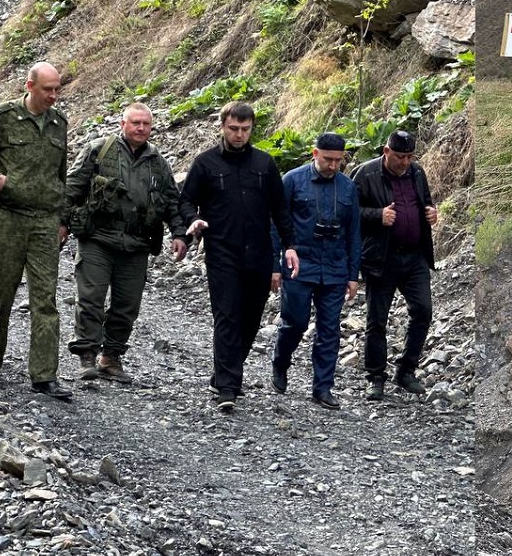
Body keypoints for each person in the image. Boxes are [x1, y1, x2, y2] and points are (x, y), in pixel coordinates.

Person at [0, 62, 71, 400]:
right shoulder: (4, 116)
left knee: (45, 300)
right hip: (7, 218)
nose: (53, 95)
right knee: (2, 292)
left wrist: (62, 219)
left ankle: (44, 375)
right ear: (30, 86)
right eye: (47, 89)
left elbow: (60, 175)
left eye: (57, 89)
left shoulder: (59, 123)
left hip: (45, 221)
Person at [179, 101, 298, 413]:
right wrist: (192, 220)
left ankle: (223, 373)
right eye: (234, 129)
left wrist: (290, 245)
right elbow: (186, 199)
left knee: (250, 319)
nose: (239, 135)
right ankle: (228, 387)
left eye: (245, 129)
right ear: (222, 126)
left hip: (258, 253)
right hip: (222, 252)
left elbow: (280, 210)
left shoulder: (265, 164)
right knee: (227, 315)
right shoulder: (205, 163)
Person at [62, 103, 188, 384]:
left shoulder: (158, 163)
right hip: (98, 238)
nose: (141, 128)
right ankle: (87, 355)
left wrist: (180, 234)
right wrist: (61, 222)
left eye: (145, 124)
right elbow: (72, 187)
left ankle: (111, 357)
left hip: (137, 244)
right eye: (135, 123)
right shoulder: (99, 150)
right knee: (91, 298)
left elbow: (171, 203)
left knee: (127, 305)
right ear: (123, 124)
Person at [270, 133, 361, 410]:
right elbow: (276, 224)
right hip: (300, 265)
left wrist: (352, 274)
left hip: (334, 267)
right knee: (295, 322)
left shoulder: (348, 188)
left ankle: (323, 387)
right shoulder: (292, 180)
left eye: (338, 161)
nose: (333, 165)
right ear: (314, 153)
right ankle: (280, 362)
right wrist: (275, 266)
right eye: (328, 159)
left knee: (330, 330)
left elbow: (354, 233)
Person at [353, 130, 439, 401]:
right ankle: (375, 377)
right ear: (386, 151)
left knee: (423, 311)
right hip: (381, 257)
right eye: (400, 156)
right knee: (377, 319)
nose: (405, 162)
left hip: (414, 257)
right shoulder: (365, 174)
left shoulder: (416, 173)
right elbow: (348, 212)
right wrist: (378, 215)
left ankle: (406, 371)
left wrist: (432, 212)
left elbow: (425, 202)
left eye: (410, 157)